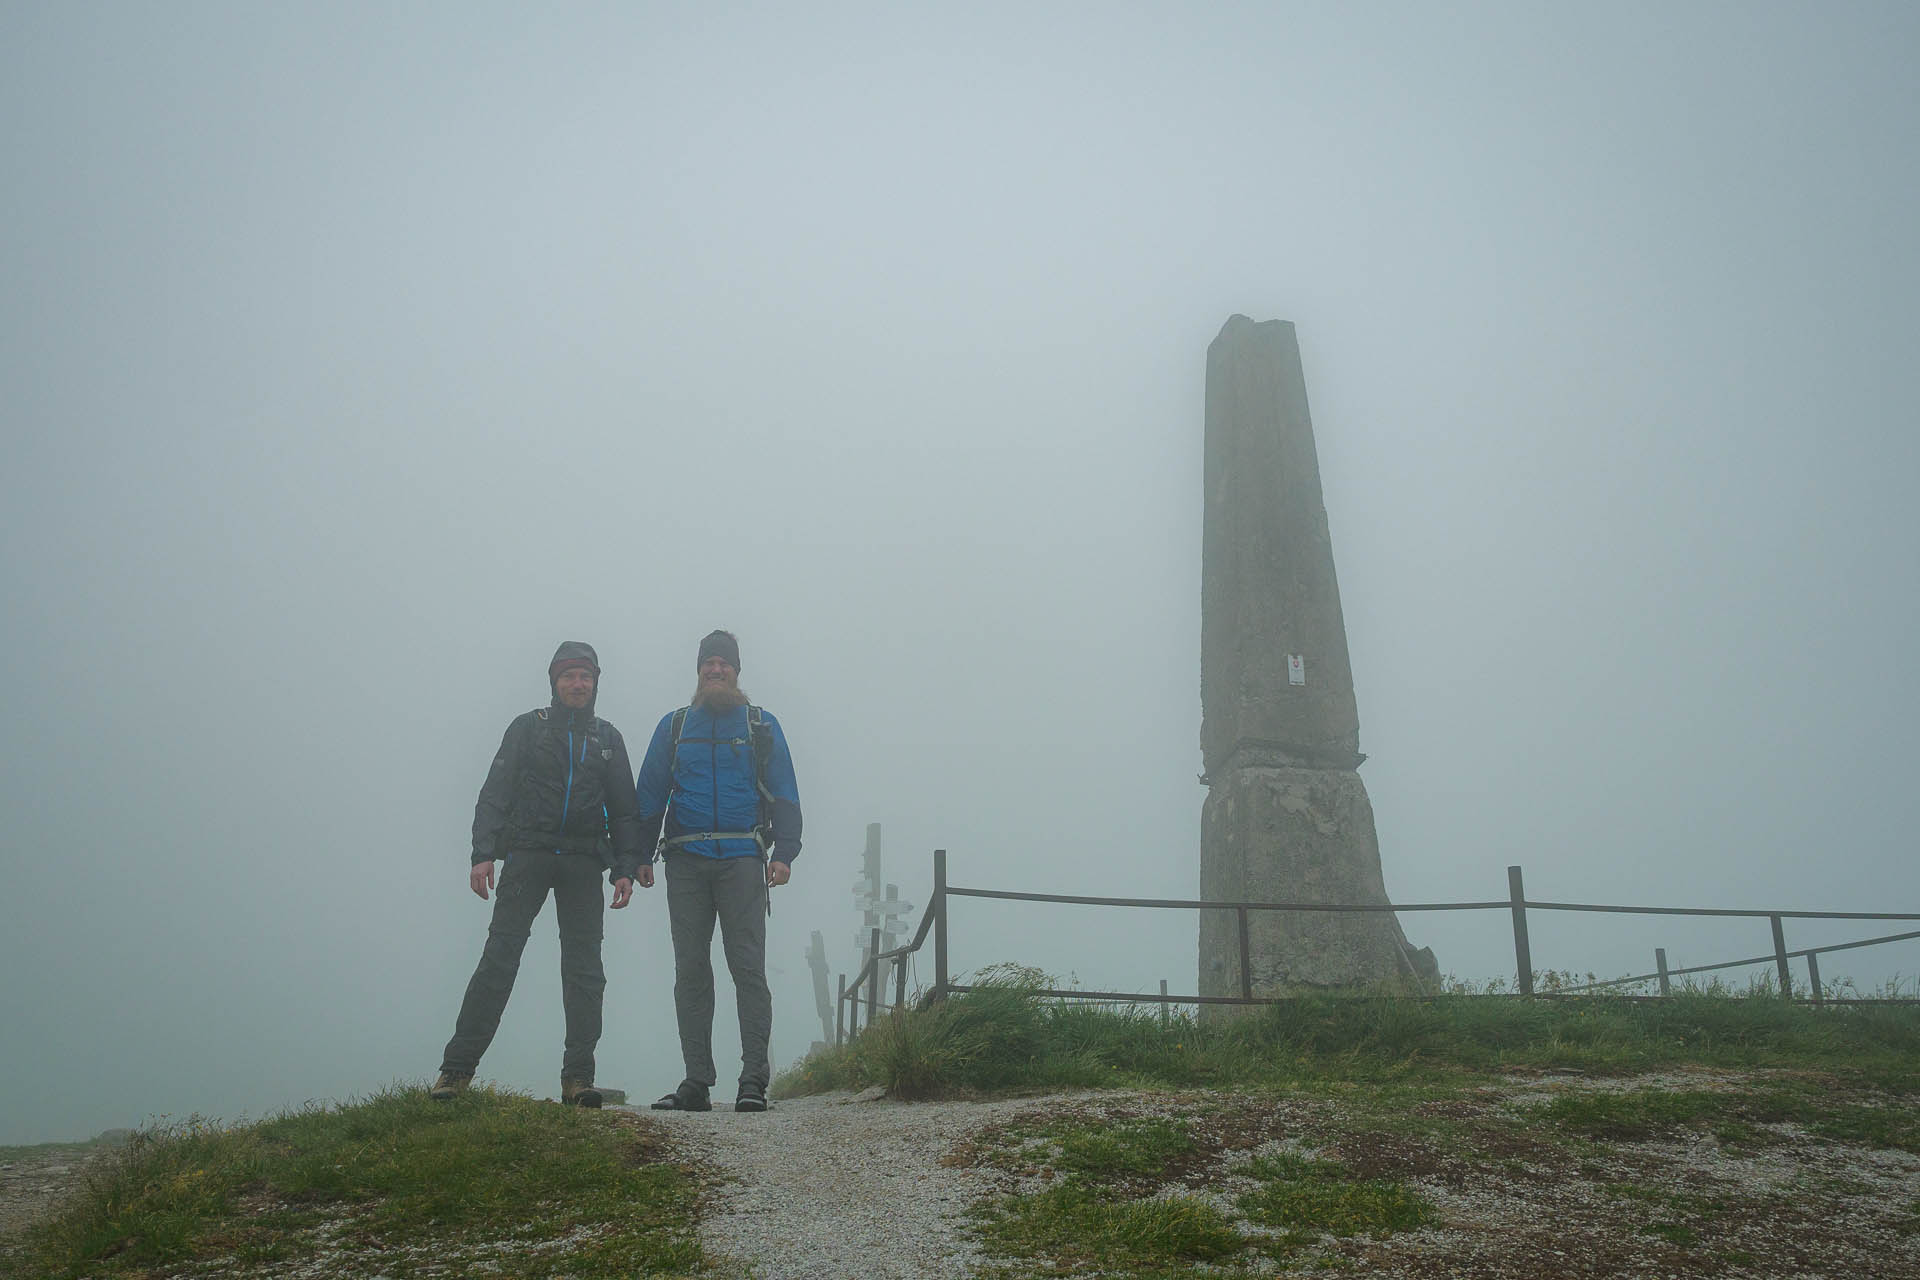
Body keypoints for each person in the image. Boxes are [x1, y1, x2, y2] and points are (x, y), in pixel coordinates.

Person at [429, 641, 643, 1108]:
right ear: (554, 682)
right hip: (527, 855)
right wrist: (482, 854)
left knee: (585, 972)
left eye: (585, 676)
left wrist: (624, 868)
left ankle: (578, 1080)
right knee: (498, 960)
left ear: (595, 683)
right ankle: (456, 1073)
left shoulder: (608, 739)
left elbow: (625, 812)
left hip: (584, 862)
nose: (577, 684)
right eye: (568, 676)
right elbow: (495, 792)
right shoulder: (527, 729)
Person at [634, 629, 801, 1113]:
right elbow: (649, 796)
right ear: (698, 671)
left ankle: (753, 1081)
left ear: (736, 671)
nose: (715, 670)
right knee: (690, 970)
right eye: (707, 663)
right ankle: (697, 1081)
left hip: (743, 861)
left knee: (747, 968)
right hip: (684, 860)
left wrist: (785, 852)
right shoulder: (675, 726)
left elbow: (785, 789)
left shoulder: (759, 725)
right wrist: (638, 856)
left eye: (723, 663)